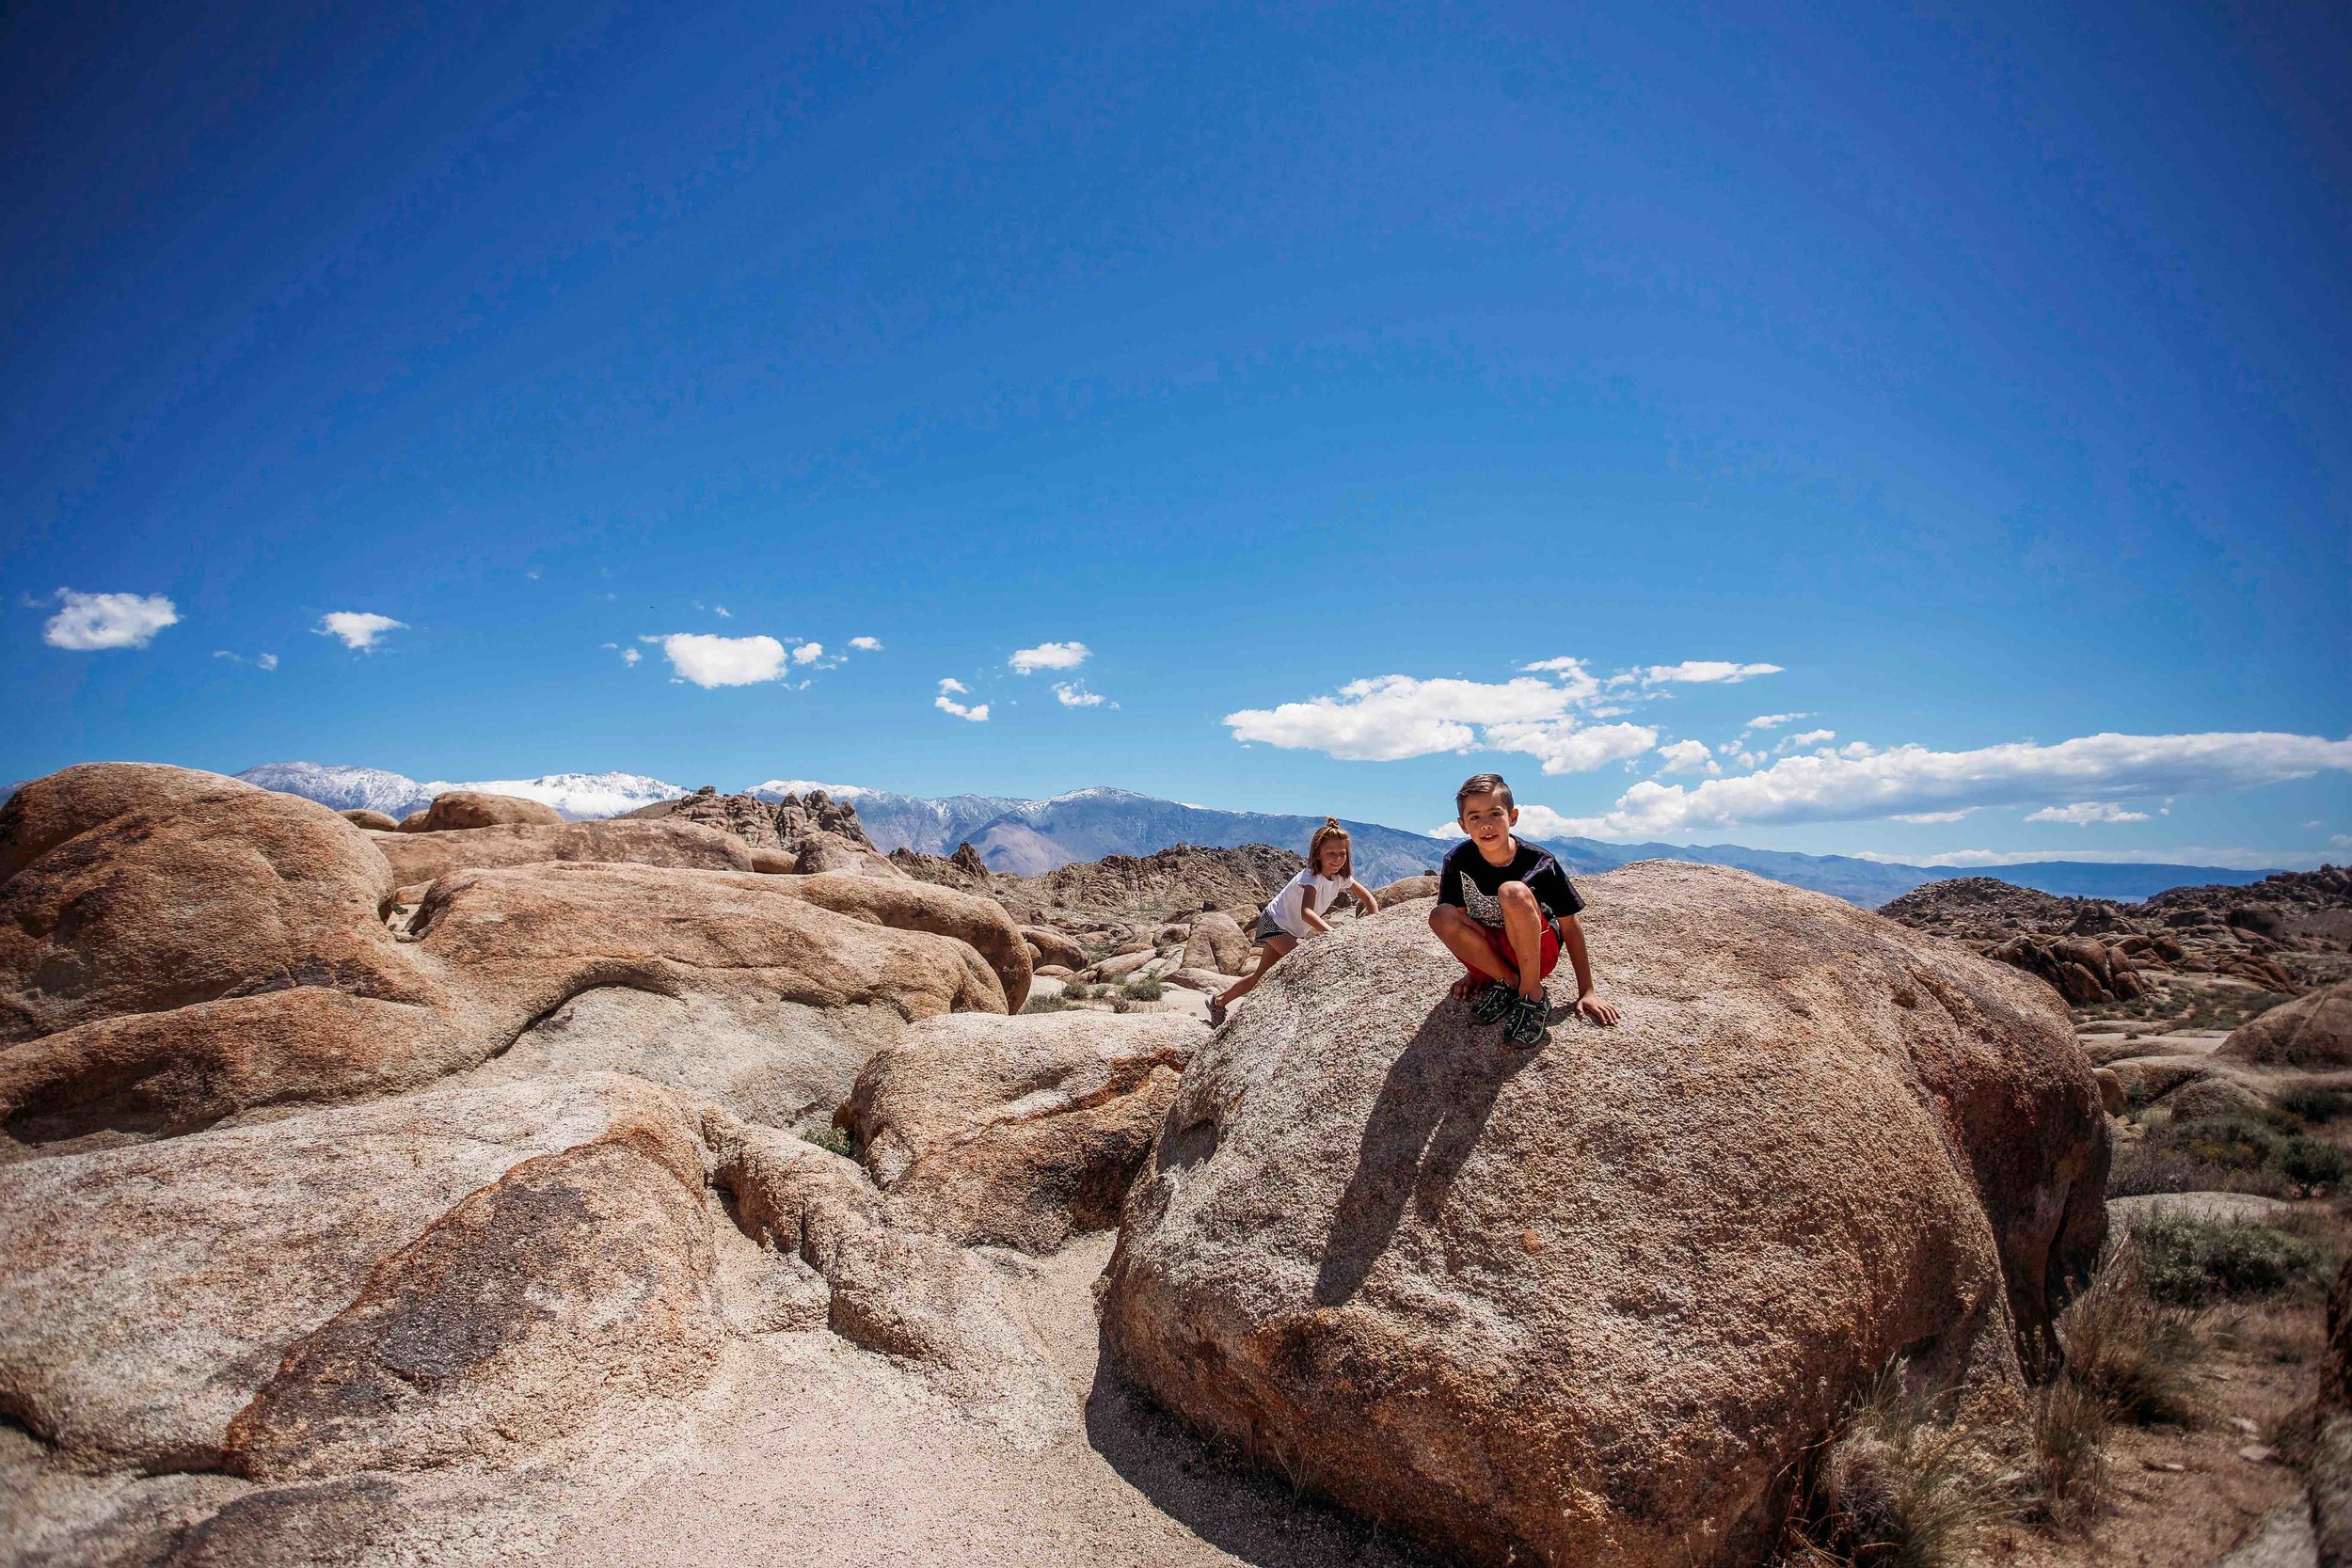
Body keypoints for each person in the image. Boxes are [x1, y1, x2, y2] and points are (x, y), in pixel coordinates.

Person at [1428, 772, 1621, 1048]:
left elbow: (1570, 926)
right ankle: (1506, 983)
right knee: (1440, 915)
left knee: (1513, 891)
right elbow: (1459, 920)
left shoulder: (1540, 862)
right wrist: (1476, 969)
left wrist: (1587, 990)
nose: (1486, 825)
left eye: (1495, 814)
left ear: (1513, 816)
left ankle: (1532, 994)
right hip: (1495, 953)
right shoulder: (1457, 860)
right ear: (1463, 825)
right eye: (1475, 818)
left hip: (1536, 950)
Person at [1207, 818, 1377, 1026]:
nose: (1337, 858)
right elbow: (1306, 912)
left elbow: (1368, 898)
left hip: (1289, 929)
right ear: (1318, 854)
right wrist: (1334, 934)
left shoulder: (1340, 878)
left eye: (1342, 853)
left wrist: (1375, 923)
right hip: (1273, 923)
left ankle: (1219, 1001)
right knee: (1305, 960)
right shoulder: (1311, 878)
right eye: (1331, 853)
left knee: (1260, 977)